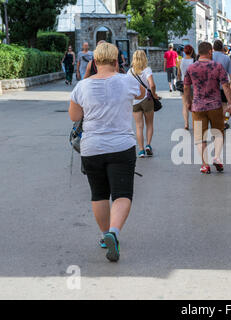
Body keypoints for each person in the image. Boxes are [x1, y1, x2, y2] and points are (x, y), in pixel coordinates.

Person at [69, 42, 145, 262]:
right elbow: (141, 93)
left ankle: (104, 236)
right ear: (116, 61)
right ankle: (114, 231)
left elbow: (74, 117)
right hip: (121, 146)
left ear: (93, 62)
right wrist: (121, 73)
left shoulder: (81, 87)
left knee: (99, 193)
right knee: (122, 194)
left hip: (91, 147)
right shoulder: (127, 81)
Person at [183, 42, 231, 174]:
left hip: (198, 107)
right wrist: (230, 103)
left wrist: (188, 102)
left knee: (200, 137)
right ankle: (216, 157)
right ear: (210, 52)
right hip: (215, 105)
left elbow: (186, 87)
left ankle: (205, 164)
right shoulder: (217, 66)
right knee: (218, 133)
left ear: (199, 52)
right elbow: (226, 85)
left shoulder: (191, 68)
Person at [128, 50, 159, 158]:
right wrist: (154, 94)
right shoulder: (147, 70)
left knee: (138, 126)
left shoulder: (130, 71)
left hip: (135, 101)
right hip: (147, 99)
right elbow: (152, 85)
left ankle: (141, 150)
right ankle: (148, 145)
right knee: (149, 124)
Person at [212, 40, 231, 130]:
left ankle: (216, 122)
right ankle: (224, 121)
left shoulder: (210, 56)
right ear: (222, 47)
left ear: (213, 47)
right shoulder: (226, 58)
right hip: (223, 86)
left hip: (212, 86)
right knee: (225, 106)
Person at [177, 44, 195, 130]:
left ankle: (186, 124)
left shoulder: (180, 61)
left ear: (184, 51)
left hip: (184, 84)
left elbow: (178, 74)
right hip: (193, 85)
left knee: (185, 105)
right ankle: (194, 122)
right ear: (191, 51)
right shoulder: (194, 61)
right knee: (194, 104)